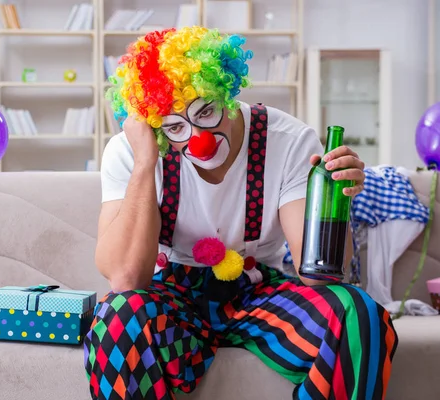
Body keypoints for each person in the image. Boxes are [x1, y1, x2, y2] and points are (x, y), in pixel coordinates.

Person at [84, 26, 398, 400]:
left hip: (256, 292)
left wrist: (335, 197)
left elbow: (319, 276)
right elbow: (125, 277)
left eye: (206, 111)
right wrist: (144, 162)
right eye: (175, 127)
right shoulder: (130, 151)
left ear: (226, 92)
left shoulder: (289, 141)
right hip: (171, 297)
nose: (197, 138)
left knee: (358, 313)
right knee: (118, 315)